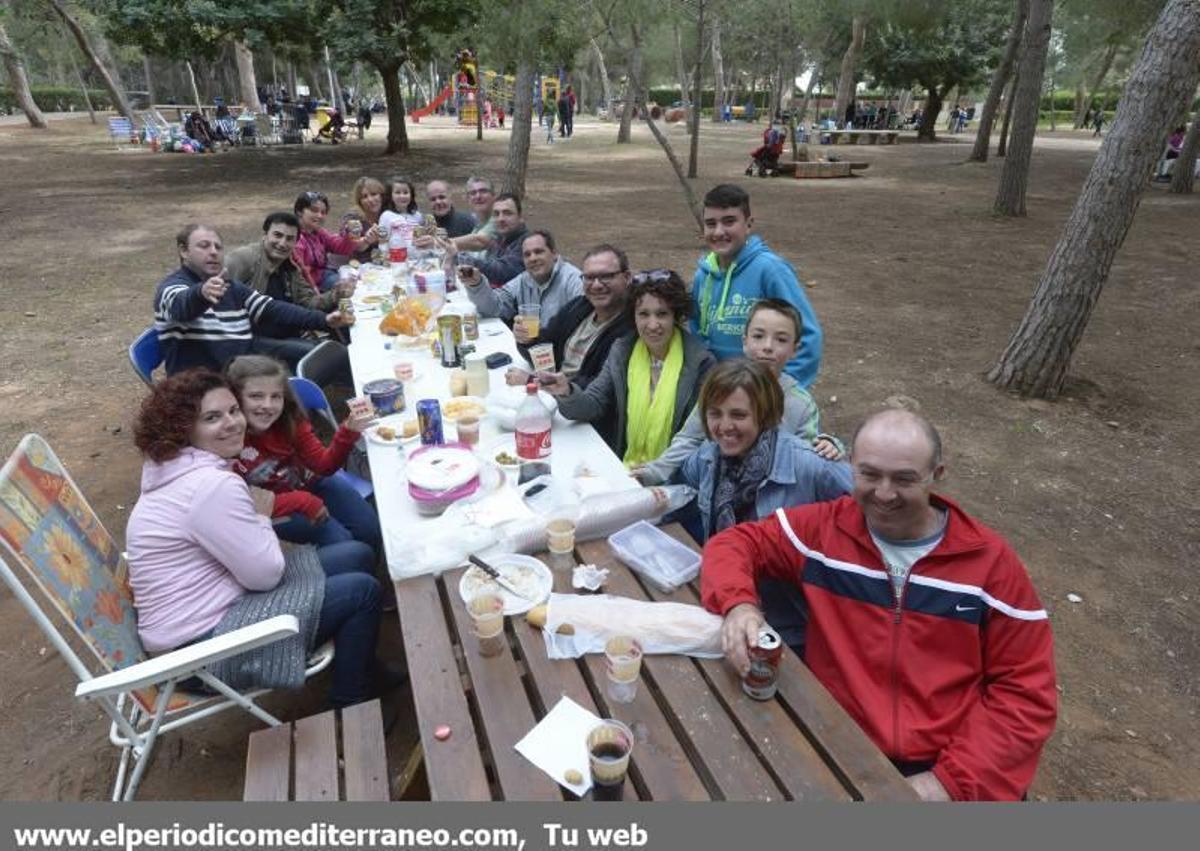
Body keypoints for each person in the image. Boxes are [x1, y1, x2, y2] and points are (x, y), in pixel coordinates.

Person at [701, 408, 1057, 801]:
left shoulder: (989, 564)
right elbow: (734, 543)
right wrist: (740, 605)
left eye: (904, 479)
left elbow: (1025, 693)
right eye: (869, 475)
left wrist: (946, 783)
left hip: (946, 763)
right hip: (837, 744)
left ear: (937, 474)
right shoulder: (823, 532)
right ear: (850, 465)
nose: (884, 494)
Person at [125, 369, 398, 708]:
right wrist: (261, 515)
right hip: (201, 652)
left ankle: (361, 665)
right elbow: (265, 576)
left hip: (213, 606)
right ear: (182, 427)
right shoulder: (209, 486)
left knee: (356, 553)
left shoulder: (172, 468)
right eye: (212, 417)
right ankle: (350, 701)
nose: (232, 423)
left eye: (232, 410)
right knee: (362, 592)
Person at [636, 298, 840, 486]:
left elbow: (807, 457)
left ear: (795, 349)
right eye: (758, 336)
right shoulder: (720, 387)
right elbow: (690, 439)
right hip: (715, 492)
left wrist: (830, 445)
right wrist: (655, 472)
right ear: (744, 341)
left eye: (781, 339)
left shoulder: (800, 404)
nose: (768, 346)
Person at [544, 270, 715, 462]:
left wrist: (655, 472)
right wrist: (566, 391)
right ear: (633, 316)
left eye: (662, 314)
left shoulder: (701, 363)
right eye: (643, 314)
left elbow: (697, 438)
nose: (652, 325)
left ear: (675, 316)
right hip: (625, 468)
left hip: (675, 472)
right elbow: (591, 405)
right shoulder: (622, 351)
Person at [226, 356, 383, 560]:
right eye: (256, 396)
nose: (268, 405)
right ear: (235, 398)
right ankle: (353, 570)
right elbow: (242, 504)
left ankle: (371, 569)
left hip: (311, 483)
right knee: (342, 542)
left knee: (369, 528)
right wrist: (303, 501)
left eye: (276, 396)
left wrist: (348, 432)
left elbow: (324, 466)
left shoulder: (289, 419)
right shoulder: (227, 440)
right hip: (274, 509)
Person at [154, 224, 350, 375]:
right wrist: (201, 293)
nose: (213, 252)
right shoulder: (172, 287)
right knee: (287, 381)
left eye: (218, 247)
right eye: (204, 246)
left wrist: (324, 320)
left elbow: (272, 308)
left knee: (326, 353)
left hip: (245, 354)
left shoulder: (230, 286)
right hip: (207, 377)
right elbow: (181, 305)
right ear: (184, 251)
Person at [692, 184, 822, 387]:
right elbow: (696, 333)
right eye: (710, 223)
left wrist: (780, 390)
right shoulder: (703, 276)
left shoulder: (770, 270)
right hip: (719, 392)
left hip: (761, 393)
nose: (718, 231)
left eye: (729, 221)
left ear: (748, 224)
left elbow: (807, 336)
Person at [224, 212, 356, 375]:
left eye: (289, 239)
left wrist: (336, 294)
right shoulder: (244, 258)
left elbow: (308, 301)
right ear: (265, 235)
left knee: (335, 346)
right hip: (252, 339)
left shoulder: (290, 268)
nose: (282, 243)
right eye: (277, 235)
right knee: (322, 354)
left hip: (288, 332)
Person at [506, 244, 634, 390]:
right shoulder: (578, 307)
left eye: (606, 276)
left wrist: (532, 381)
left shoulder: (631, 327)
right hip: (552, 392)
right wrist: (527, 340)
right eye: (589, 277)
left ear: (627, 277)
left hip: (573, 400)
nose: (596, 285)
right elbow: (542, 348)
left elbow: (600, 389)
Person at [457, 230, 582, 332]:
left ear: (554, 254)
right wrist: (477, 284)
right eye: (527, 255)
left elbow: (582, 327)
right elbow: (494, 308)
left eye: (538, 252)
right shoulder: (523, 280)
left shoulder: (574, 281)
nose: (533, 258)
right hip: (533, 349)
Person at [292, 191, 379, 291]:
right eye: (314, 210)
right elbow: (300, 274)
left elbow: (340, 247)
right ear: (299, 211)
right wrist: (315, 293)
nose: (319, 215)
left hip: (324, 274)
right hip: (310, 285)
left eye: (323, 212)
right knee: (352, 288)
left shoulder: (318, 232)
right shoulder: (296, 238)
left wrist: (349, 234)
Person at [462, 192, 528, 288]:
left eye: (507, 213)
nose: (501, 219)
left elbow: (501, 272)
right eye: (496, 214)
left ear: (521, 217)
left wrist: (462, 259)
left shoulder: (527, 243)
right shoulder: (501, 238)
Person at [341, 177, 387, 261]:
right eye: (364, 197)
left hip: (384, 261)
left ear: (382, 196)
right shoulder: (352, 218)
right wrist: (366, 240)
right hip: (357, 263)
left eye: (373, 194)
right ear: (360, 201)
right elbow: (348, 245)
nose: (370, 200)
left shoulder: (389, 214)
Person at [451, 175, 499, 255]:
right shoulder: (478, 225)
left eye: (483, 191)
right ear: (468, 199)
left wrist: (438, 243)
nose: (478, 196)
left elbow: (479, 241)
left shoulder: (499, 220)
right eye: (473, 193)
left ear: (494, 196)